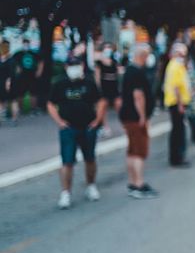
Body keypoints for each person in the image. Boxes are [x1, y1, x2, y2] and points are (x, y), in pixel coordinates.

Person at [46, 57, 105, 209]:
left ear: (82, 66)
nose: (75, 68)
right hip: (69, 127)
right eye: (71, 65)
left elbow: (100, 102)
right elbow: (51, 104)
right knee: (67, 161)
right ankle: (66, 192)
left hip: (88, 126)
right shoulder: (60, 84)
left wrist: (97, 120)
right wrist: (59, 122)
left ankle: (91, 185)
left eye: (77, 65)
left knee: (90, 158)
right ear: (66, 67)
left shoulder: (89, 83)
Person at [119, 44, 158, 199]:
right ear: (141, 55)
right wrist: (143, 116)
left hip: (128, 116)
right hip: (135, 118)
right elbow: (138, 96)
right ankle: (138, 184)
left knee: (131, 150)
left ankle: (132, 182)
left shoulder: (129, 70)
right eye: (147, 55)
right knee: (139, 151)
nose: (148, 58)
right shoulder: (137, 73)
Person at [163, 43, 191, 167]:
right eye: (180, 54)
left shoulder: (176, 65)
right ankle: (177, 158)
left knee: (178, 130)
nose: (182, 56)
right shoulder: (175, 66)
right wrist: (180, 104)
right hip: (176, 103)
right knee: (178, 132)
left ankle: (177, 157)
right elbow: (176, 87)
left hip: (176, 102)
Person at [11, 37, 43, 119]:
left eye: (27, 43)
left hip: (32, 76)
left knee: (33, 93)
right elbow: (12, 62)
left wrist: (39, 71)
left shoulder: (33, 53)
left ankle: (34, 109)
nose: (26, 45)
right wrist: (16, 70)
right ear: (22, 44)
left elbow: (41, 61)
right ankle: (20, 110)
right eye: (24, 43)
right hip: (21, 77)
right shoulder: (18, 54)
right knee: (20, 94)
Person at [95, 42, 120, 136]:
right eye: (106, 48)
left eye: (109, 47)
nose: (108, 50)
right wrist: (99, 88)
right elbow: (97, 76)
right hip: (104, 84)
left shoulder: (114, 61)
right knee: (103, 107)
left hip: (113, 84)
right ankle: (103, 126)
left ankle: (125, 124)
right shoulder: (99, 62)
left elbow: (117, 72)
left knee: (118, 104)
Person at [0, 39, 13, 122]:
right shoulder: (9, 60)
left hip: (4, 81)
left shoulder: (8, 60)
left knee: (2, 99)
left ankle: (3, 114)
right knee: (4, 99)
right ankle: (4, 113)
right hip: (5, 81)